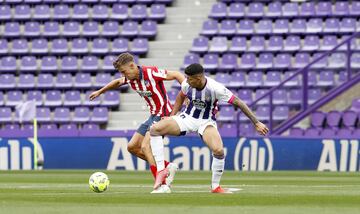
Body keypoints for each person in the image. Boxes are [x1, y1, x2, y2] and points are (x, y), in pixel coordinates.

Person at [149, 63, 269, 194]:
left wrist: (256, 123)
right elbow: (180, 97)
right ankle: (161, 170)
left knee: (218, 150)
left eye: (190, 79)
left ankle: (215, 186)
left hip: (206, 122)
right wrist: (171, 116)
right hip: (187, 118)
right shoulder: (187, 84)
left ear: (199, 78)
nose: (186, 81)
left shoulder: (215, 88)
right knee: (155, 129)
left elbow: (238, 102)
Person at [89, 53, 185, 193]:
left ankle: (162, 185)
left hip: (163, 113)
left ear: (132, 66)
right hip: (153, 114)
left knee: (146, 147)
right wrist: (100, 91)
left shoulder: (151, 73)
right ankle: (167, 166)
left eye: (124, 71)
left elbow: (177, 74)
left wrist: (187, 91)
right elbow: (117, 82)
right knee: (132, 147)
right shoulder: (130, 78)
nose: (124, 75)